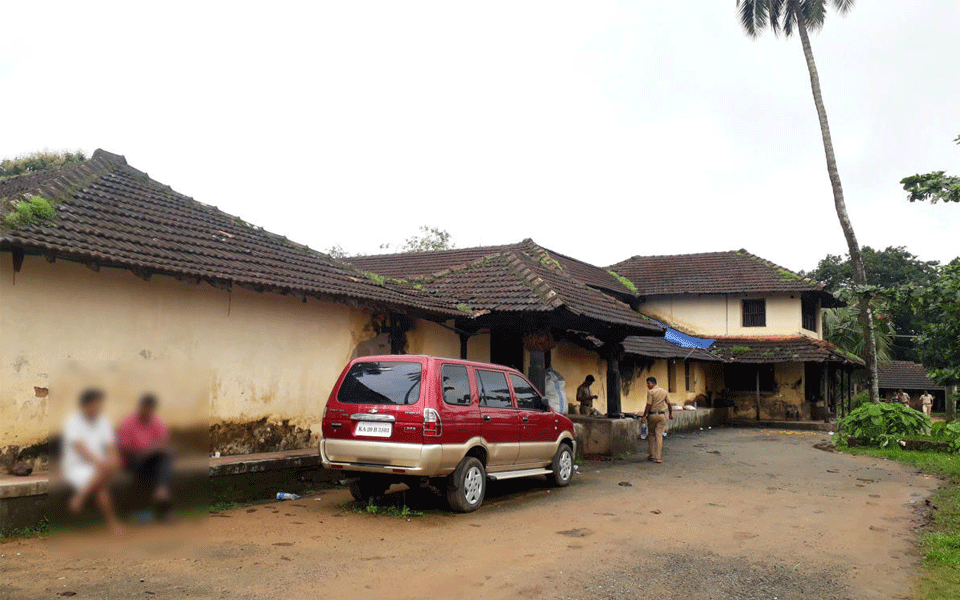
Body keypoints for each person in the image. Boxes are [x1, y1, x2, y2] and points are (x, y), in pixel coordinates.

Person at [61, 388, 123, 535]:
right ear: (86, 405)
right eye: (96, 404)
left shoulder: (103, 420)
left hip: (99, 466)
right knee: (101, 487)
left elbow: (111, 446)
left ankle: (79, 498)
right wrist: (101, 463)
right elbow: (79, 447)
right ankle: (112, 523)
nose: (99, 407)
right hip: (76, 468)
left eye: (100, 404)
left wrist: (113, 459)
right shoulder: (73, 421)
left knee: (107, 470)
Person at [117, 394, 173, 520]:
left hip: (153, 461)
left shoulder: (157, 422)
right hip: (134, 461)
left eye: (150, 408)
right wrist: (144, 451)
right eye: (146, 408)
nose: (148, 411)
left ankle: (161, 492)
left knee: (164, 456)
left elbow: (163, 442)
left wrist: (153, 450)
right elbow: (123, 447)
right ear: (141, 407)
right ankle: (163, 496)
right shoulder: (128, 422)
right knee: (162, 461)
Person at [641, 377, 672, 464]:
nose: (647, 385)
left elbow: (648, 405)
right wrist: (670, 413)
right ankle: (658, 457)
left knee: (651, 434)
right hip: (662, 416)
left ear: (653, 383)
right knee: (659, 435)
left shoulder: (651, 392)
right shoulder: (664, 391)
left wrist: (644, 416)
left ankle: (651, 454)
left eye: (649, 383)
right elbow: (669, 403)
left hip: (652, 415)